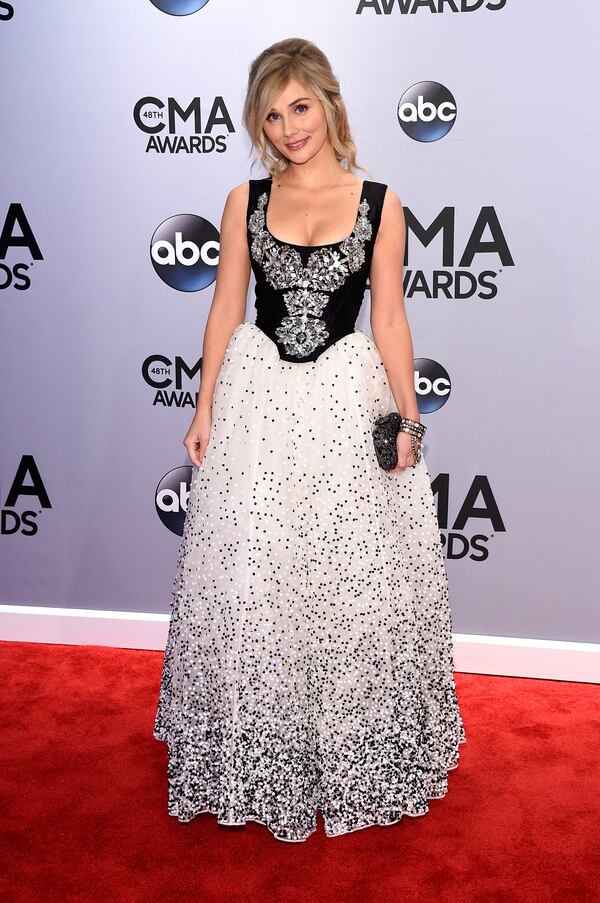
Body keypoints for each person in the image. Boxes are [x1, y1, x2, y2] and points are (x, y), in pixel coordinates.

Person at [153, 37, 466, 843]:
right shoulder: (243, 200)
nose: (290, 128)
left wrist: (409, 416)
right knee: (259, 579)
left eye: (300, 107)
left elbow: (389, 317)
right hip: (258, 402)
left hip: (342, 401)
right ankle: (271, 741)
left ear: (327, 102)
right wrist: (203, 405)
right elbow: (224, 307)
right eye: (273, 114)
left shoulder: (380, 201)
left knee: (346, 577)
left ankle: (352, 740)